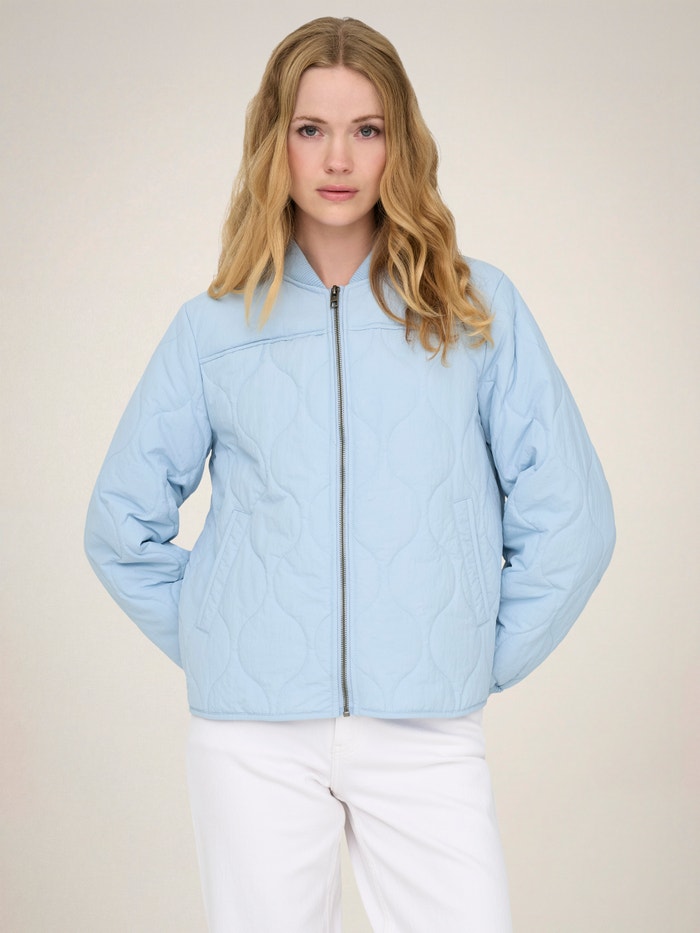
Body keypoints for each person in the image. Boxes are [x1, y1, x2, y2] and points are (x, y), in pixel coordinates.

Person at [84, 16, 615, 932]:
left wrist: (476, 652)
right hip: (252, 740)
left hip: (425, 729)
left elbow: (574, 516)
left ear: (397, 144)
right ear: (275, 143)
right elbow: (119, 524)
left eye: (367, 129)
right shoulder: (213, 328)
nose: (339, 158)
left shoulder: (474, 310)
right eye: (311, 128)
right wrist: (227, 642)